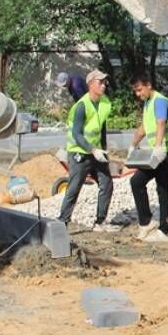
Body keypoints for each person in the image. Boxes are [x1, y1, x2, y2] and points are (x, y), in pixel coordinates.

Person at [58, 69, 116, 232]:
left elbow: (102, 126)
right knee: (74, 188)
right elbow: (77, 134)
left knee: (107, 184)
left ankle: (100, 222)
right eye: (100, 82)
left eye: (105, 82)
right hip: (80, 152)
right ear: (90, 84)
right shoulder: (82, 106)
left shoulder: (104, 102)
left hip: (96, 152)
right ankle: (62, 223)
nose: (104, 85)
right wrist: (92, 150)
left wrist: (103, 149)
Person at [129, 73, 168, 242]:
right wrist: (133, 145)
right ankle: (146, 223)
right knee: (136, 182)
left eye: (139, 90)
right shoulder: (148, 104)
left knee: (163, 187)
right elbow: (144, 128)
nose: (138, 94)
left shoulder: (159, 100)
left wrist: (159, 147)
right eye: (136, 92)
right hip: (159, 151)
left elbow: (161, 122)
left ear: (148, 85)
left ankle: (163, 230)